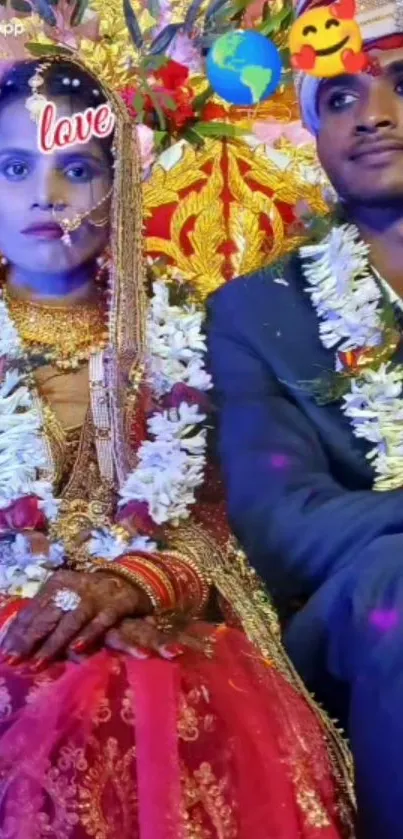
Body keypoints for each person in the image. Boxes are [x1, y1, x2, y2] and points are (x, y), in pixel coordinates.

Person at [0, 53, 355, 838]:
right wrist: (33, 611)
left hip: (152, 625)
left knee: (154, 682)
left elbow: (225, 523)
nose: (47, 195)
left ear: (121, 185)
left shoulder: (185, 334)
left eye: (79, 168)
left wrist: (133, 585)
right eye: (15, 166)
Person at [207, 0, 403, 835]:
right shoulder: (257, 312)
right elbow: (280, 522)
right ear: (312, 134)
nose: (375, 117)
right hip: (363, 611)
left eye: (399, 85)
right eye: (339, 98)